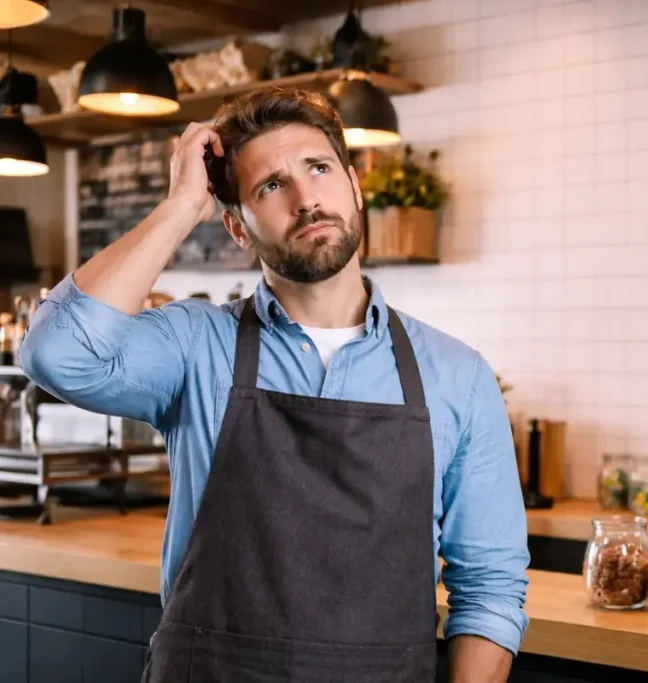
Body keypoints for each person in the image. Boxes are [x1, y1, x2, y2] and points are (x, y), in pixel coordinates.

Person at [19, 87, 529, 682]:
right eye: (271, 186)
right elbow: (55, 352)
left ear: (355, 186)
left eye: (318, 168)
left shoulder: (457, 376)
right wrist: (181, 206)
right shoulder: (195, 346)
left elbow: (490, 588)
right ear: (237, 228)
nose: (307, 198)